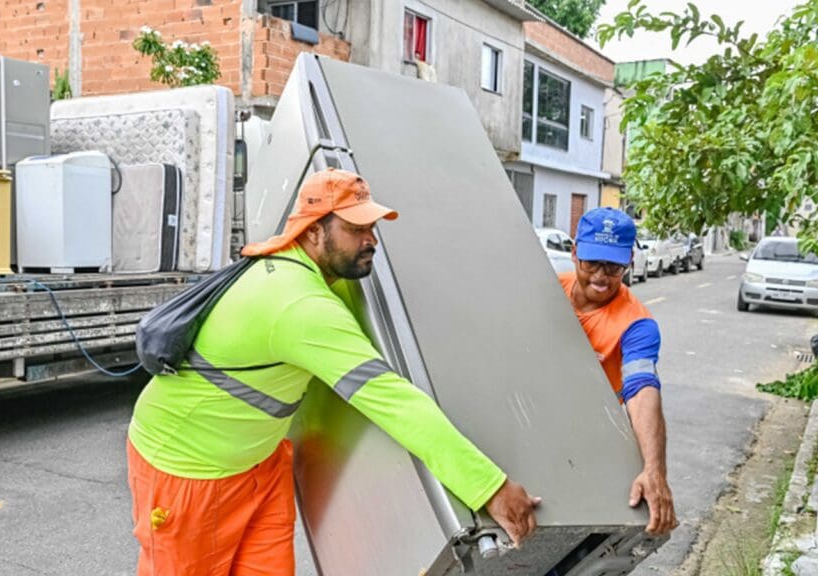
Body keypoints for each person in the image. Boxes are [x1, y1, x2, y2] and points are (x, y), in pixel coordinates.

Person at [127, 168, 541, 576]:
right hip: (188, 470)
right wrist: (489, 487)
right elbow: (393, 402)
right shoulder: (299, 305)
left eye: (372, 227)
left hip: (258, 463)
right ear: (312, 231)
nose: (371, 240)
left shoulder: (301, 268)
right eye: (355, 229)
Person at [558, 207, 677, 536]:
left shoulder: (637, 325)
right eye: (592, 261)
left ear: (629, 264)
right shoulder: (548, 290)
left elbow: (641, 389)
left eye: (613, 266)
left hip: (587, 437)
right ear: (574, 253)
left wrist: (654, 470)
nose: (600, 275)